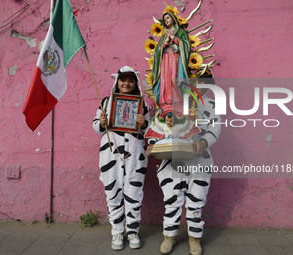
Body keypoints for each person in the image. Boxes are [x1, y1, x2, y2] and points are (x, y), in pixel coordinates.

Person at [147, 70, 221, 255]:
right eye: (195, 80)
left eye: (204, 82)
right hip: (172, 161)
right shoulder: (170, 103)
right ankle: (169, 237)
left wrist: (204, 142)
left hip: (199, 161)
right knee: (172, 201)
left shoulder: (212, 104)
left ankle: (194, 239)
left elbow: (216, 126)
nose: (199, 85)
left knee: (196, 201)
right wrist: (153, 145)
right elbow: (156, 127)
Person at [93, 66, 150, 250]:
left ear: (136, 83)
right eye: (123, 79)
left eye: (131, 80)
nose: (126, 83)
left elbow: (151, 129)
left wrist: (144, 123)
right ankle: (117, 232)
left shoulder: (143, 105)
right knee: (113, 193)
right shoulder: (107, 102)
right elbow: (95, 126)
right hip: (110, 154)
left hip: (135, 156)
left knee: (134, 194)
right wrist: (101, 123)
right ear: (117, 81)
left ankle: (132, 231)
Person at [152, 11, 191, 118]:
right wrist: (165, 43)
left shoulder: (181, 32)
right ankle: (165, 102)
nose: (166, 21)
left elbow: (186, 46)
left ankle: (177, 101)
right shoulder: (164, 35)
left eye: (168, 18)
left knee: (175, 78)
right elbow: (157, 50)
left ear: (173, 18)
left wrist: (175, 40)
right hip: (165, 61)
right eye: (165, 20)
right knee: (165, 80)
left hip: (176, 60)